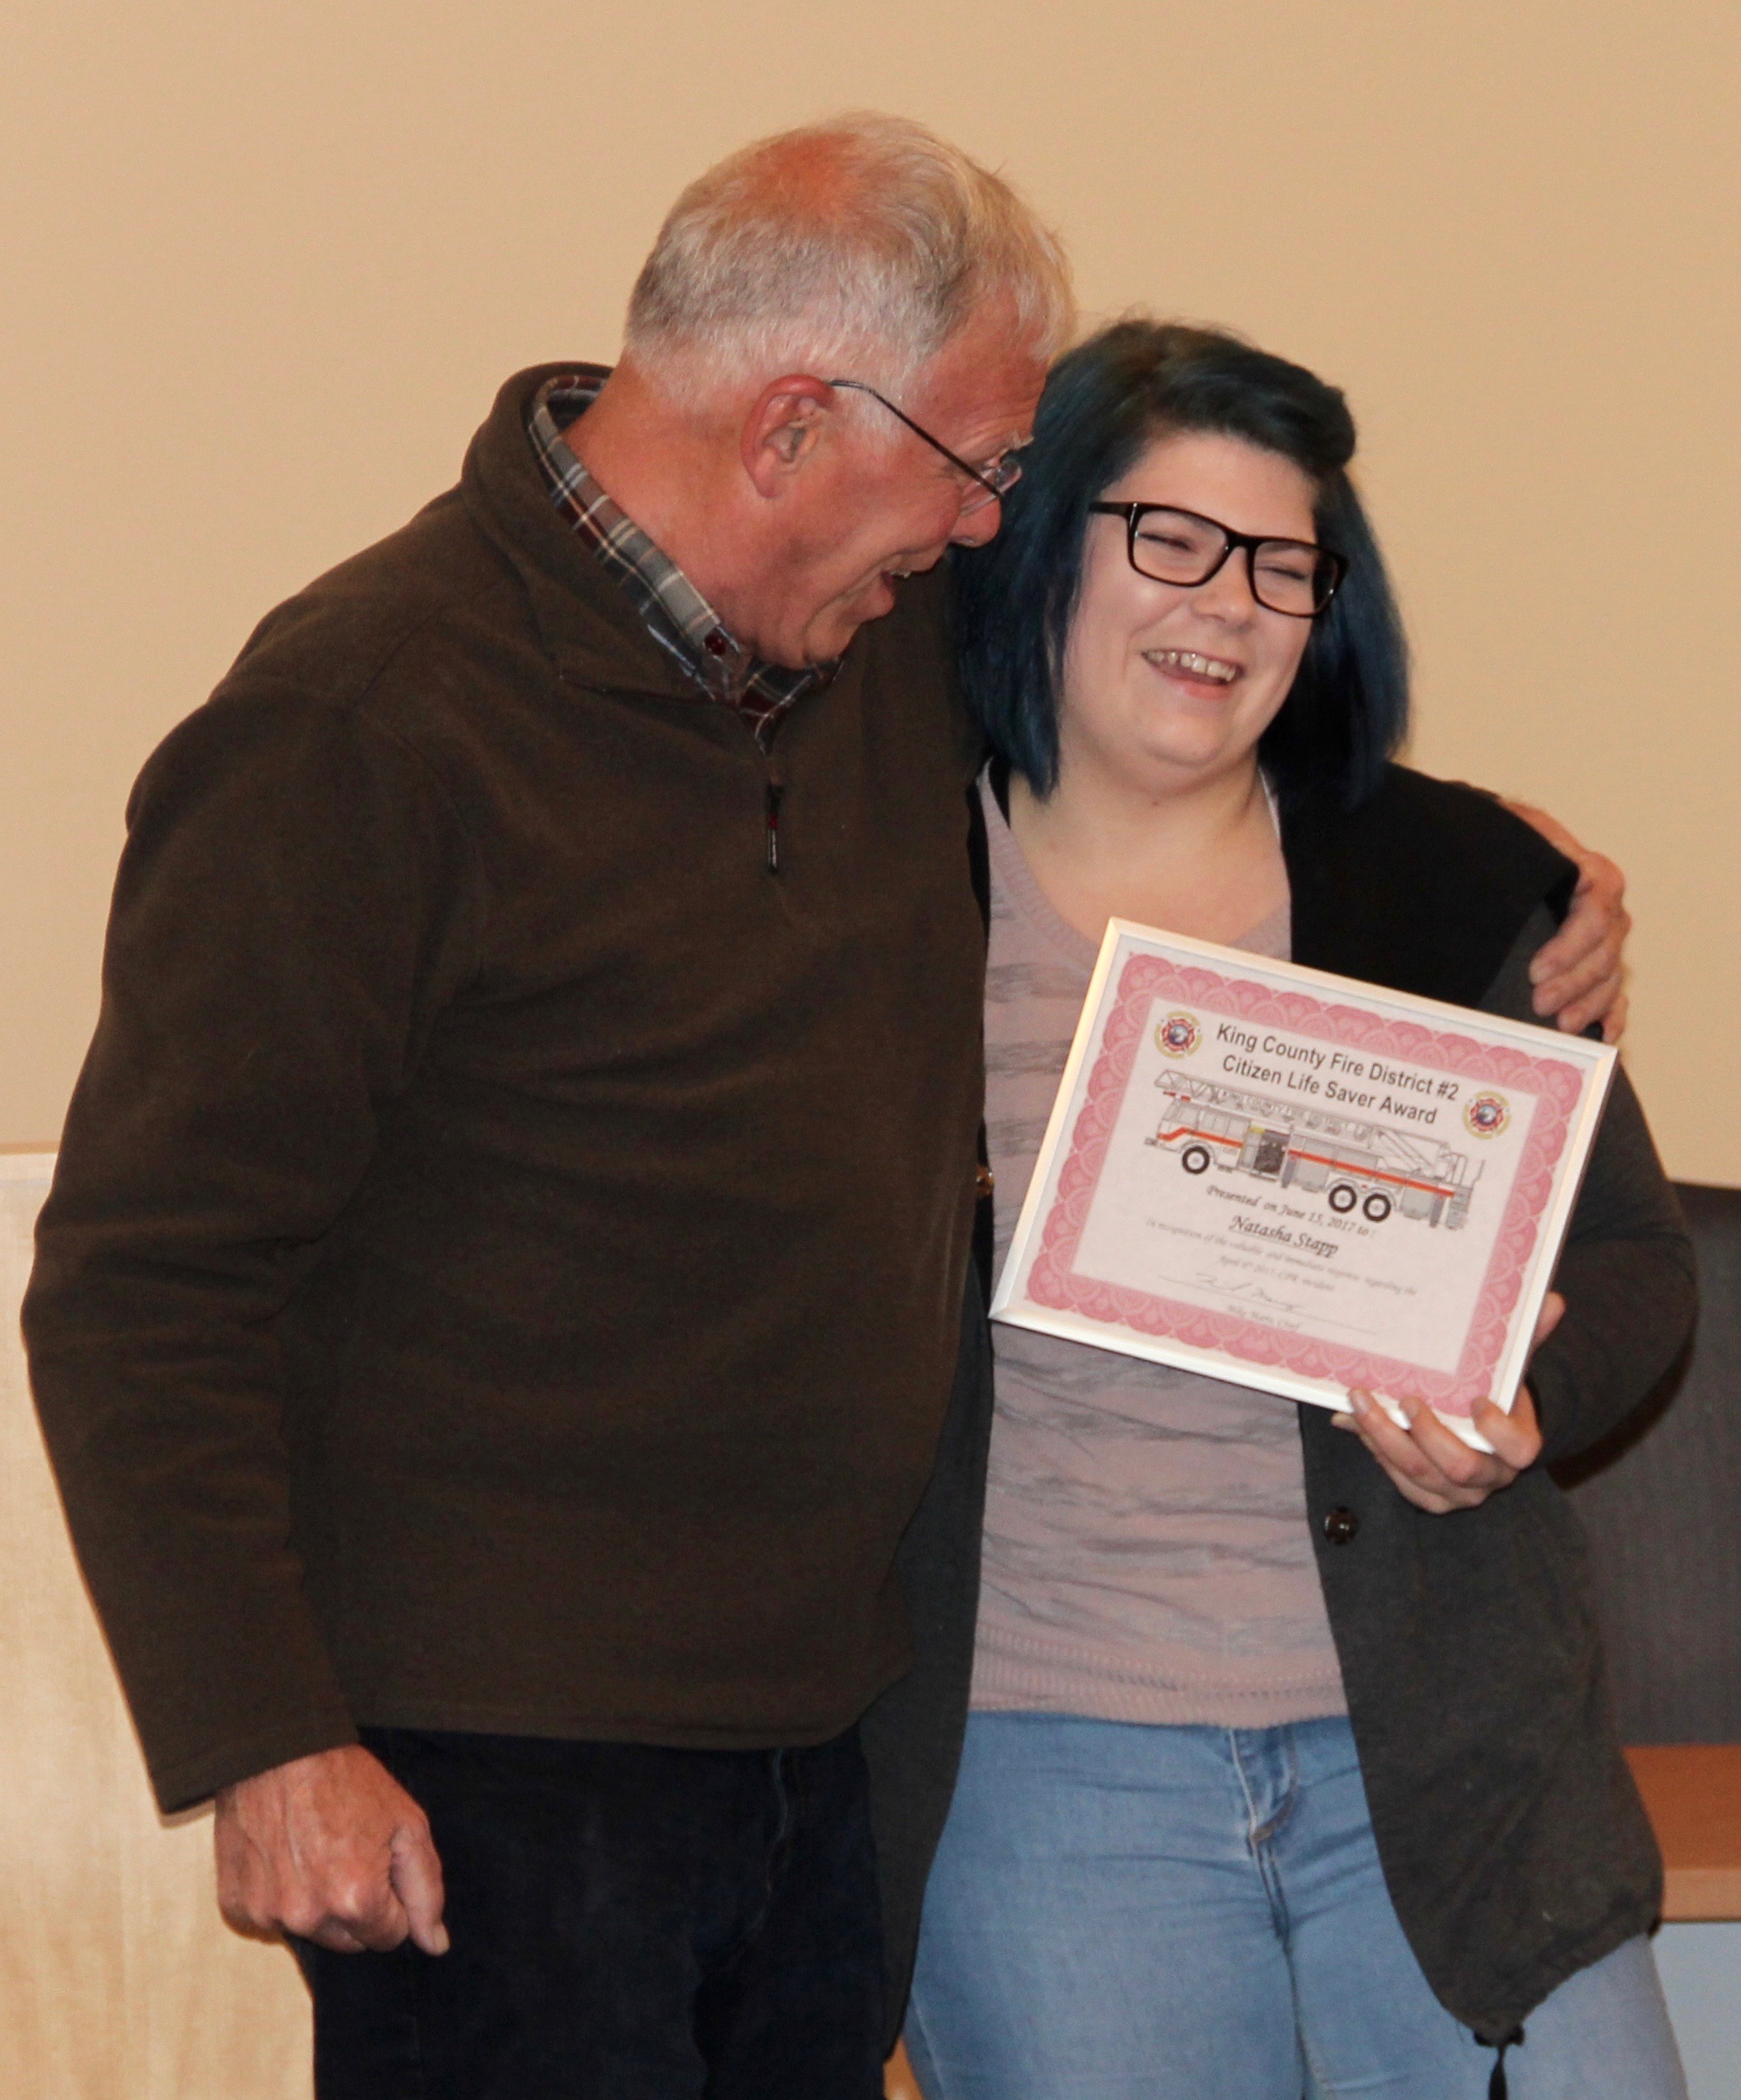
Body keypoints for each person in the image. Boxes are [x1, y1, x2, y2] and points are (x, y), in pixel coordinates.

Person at [21, 119, 1624, 2097]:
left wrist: (1519, 867)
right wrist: (266, 1736)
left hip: (842, 1748)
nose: (985, 531)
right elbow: (141, 1280)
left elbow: (1188, 687)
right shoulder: (366, 720)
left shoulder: (876, 644)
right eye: (972, 467)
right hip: (500, 1775)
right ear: (793, 429)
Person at [898, 322, 1695, 2100]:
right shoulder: (877, 890)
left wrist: (1524, 1408)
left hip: (1447, 1763)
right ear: (1043, 546)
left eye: (1282, 561)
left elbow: (1634, 1259)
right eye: (1168, 537)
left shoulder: (1449, 879)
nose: (1229, 603)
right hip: (1041, 1775)